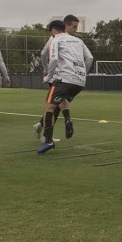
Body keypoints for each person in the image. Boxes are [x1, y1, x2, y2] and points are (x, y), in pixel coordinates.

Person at [38, 20, 93, 154]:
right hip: (79, 82)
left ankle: (48, 141)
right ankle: (68, 119)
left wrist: (48, 76)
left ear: (53, 31)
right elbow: (90, 58)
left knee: (49, 108)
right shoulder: (78, 41)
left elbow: (54, 59)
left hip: (64, 78)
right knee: (62, 101)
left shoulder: (56, 39)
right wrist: (83, 74)